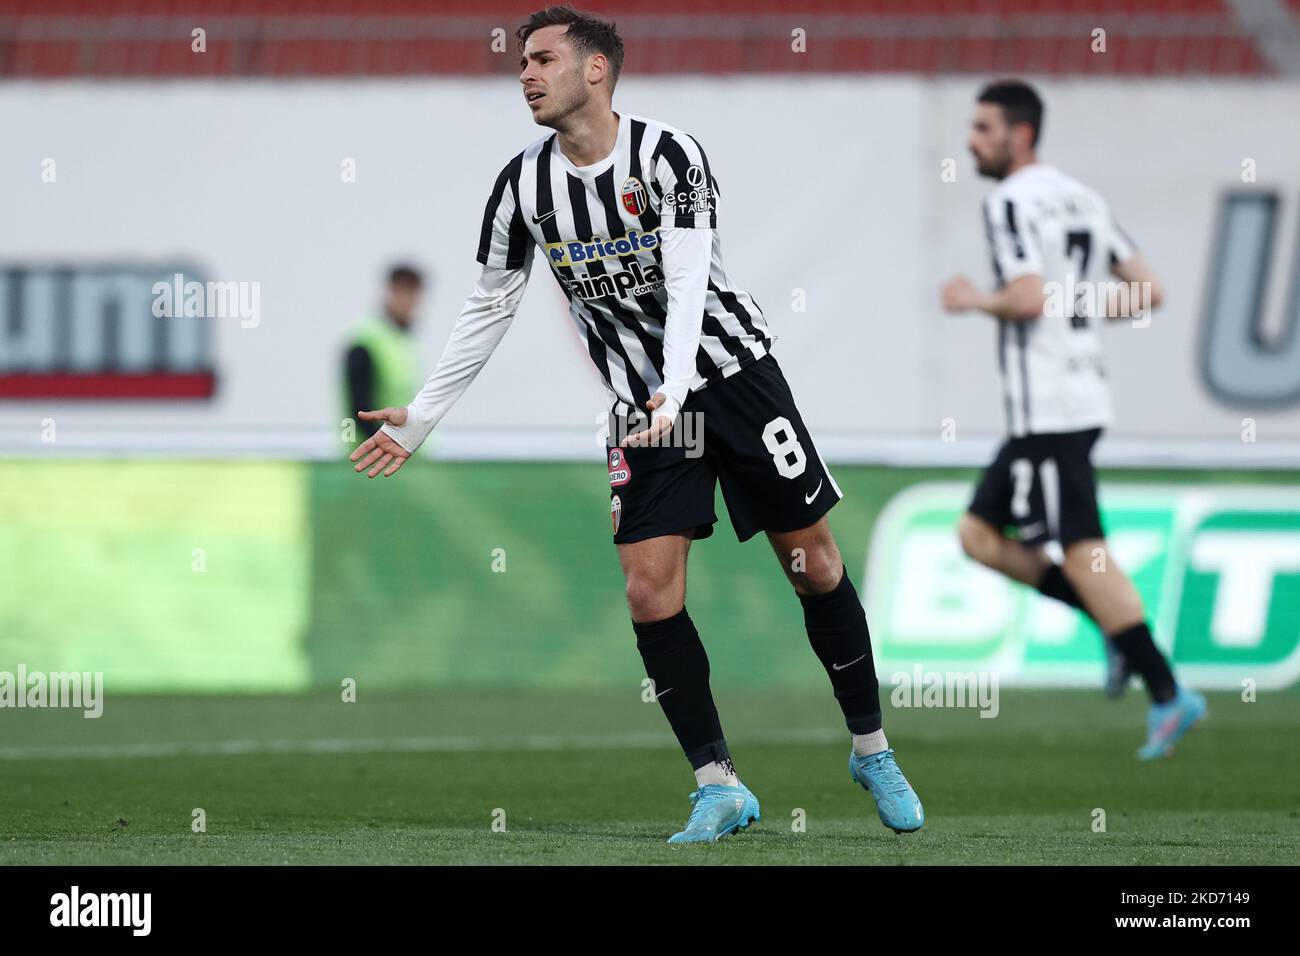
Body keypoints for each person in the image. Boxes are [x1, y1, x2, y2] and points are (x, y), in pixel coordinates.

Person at [348, 5, 924, 841]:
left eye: (543, 59)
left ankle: (871, 748)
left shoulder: (669, 155)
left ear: (596, 71)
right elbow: (489, 305)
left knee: (814, 563)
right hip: (640, 407)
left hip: (732, 380)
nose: (525, 74)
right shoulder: (522, 187)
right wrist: (424, 415)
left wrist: (680, 382)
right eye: (521, 62)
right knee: (649, 592)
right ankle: (718, 782)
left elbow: (690, 272)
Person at [940, 79, 1206, 760]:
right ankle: (1123, 638)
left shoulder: (1007, 202)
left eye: (983, 128)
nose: (971, 142)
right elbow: (1148, 290)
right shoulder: (1081, 196)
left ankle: (1167, 689)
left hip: (1049, 407)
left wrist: (976, 300)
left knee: (1085, 552)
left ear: (1019, 135)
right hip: (1075, 396)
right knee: (975, 534)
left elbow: (1027, 300)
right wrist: (1074, 305)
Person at [344, 264, 424, 440]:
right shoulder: (366, 341)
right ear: (391, 292)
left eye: (414, 294)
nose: (412, 302)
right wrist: (387, 443)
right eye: (405, 293)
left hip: (402, 454)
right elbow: (359, 409)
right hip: (372, 454)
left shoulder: (403, 341)